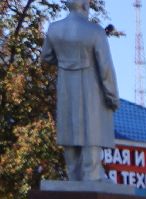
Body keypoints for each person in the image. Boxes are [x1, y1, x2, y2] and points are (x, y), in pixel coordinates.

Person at [42, 0, 118, 183]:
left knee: (69, 130)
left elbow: (46, 57)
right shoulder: (95, 32)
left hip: (66, 87)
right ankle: (93, 175)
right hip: (91, 89)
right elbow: (105, 68)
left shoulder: (54, 29)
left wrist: (65, 60)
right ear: (84, 5)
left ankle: (73, 175)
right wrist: (112, 95)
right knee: (91, 130)